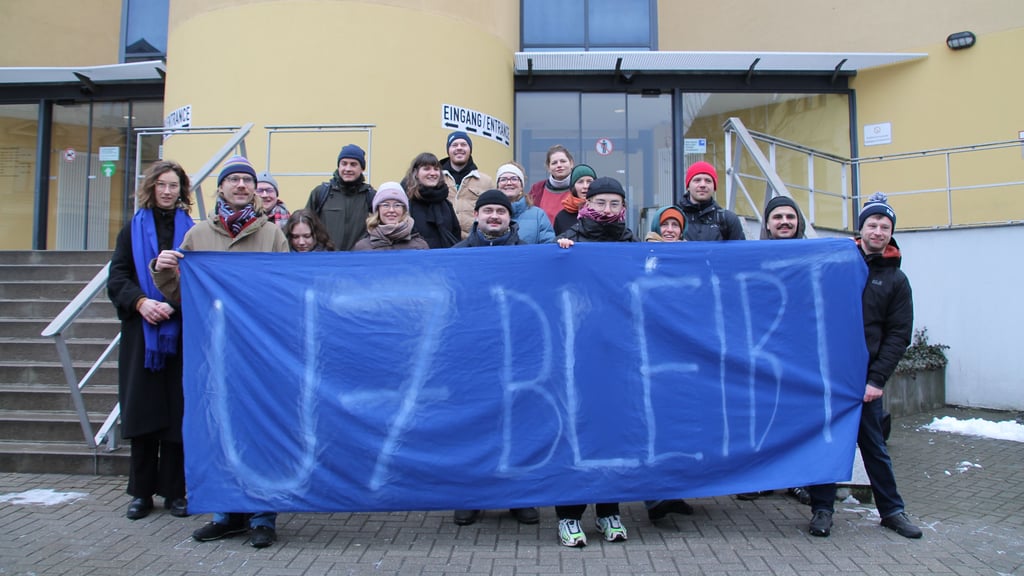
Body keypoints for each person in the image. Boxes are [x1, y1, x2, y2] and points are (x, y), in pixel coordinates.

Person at [151, 155, 288, 549]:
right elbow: (180, 294)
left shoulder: (273, 236)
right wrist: (162, 269)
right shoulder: (197, 237)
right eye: (234, 180)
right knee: (218, 429)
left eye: (248, 180)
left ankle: (263, 516)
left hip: (260, 353)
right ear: (221, 188)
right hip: (214, 351)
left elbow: (284, 292)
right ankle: (225, 514)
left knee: (262, 431)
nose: (242, 185)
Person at [805, 192, 922, 539]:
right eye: (872, 224)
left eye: (885, 226)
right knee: (826, 444)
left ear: (890, 233)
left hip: (865, 382)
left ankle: (892, 511)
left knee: (874, 447)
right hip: (831, 376)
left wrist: (877, 379)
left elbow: (898, 335)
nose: (878, 231)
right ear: (861, 230)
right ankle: (822, 510)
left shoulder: (896, 281)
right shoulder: (837, 266)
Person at [107, 160, 194, 521]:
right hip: (142, 335)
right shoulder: (131, 229)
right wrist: (141, 303)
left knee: (177, 412)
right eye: (162, 185)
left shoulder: (192, 230)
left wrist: (172, 304)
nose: (168, 191)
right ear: (151, 187)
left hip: (181, 331)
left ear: (182, 190)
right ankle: (141, 493)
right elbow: (118, 277)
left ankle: (175, 492)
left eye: (174, 185)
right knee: (143, 413)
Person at [554, 176, 636, 547]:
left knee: (614, 430)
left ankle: (609, 510)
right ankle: (569, 515)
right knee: (577, 429)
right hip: (579, 350)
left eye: (614, 204)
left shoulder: (631, 241)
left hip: (619, 350)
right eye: (600, 202)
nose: (606, 210)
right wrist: (558, 252)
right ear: (588, 202)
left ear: (622, 207)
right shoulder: (572, 237)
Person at [735, 195, 812, 503]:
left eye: (790, 217)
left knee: (796, 417)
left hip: (800, 353)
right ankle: (760, 477)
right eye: (777, 217)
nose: (784, 222)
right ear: (766, 224)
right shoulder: (753, 256)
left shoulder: (811, 255)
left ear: (798, 223)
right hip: (762, 349)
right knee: (761, 416)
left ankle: (798, 479)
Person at [305, 144, 375, 251]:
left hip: (358, 260)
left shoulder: (370, 196)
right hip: (326, 260)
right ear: (338, 166)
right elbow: (306, 226)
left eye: (353, 164)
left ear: (362, 168)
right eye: (344, 164)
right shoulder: (321, 193)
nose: (348, 169)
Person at [403, 152, 461, 249]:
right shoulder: (406, 203)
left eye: (436, 169)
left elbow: (456, 235)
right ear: (416, 173)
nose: (433, 173)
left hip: (445, 260)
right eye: (426, 169)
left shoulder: (446, 204)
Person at [441, 131, 493, 238]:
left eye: (464, 144)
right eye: (454, 145)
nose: (459, 148)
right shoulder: (437, 179)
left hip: (475, 243)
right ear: (448, 150)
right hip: (444, 243)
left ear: (470, 150)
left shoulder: (486, 181)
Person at [678, 161, 745, 241]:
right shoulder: (674, 217)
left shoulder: (728, 220)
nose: (703, 185)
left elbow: (740, 252)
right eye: (697, 180)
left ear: (714, 187)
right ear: (688, 186)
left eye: (708, 181)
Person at [352, 182, 429, 251]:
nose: (391, 210)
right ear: (378, 210)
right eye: (385, 205)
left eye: (397, 205)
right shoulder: (362, 247)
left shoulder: (419, 246)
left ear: (404, 210)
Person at [495, 162, 554, 244]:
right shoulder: (487, 214)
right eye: (503, 179)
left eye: (514, 179)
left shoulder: (538, 215)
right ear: (497, 186)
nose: (508, 183)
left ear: (522, 185)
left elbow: (549, 245)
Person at [528, 144, 575, 225]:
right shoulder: (537, 189)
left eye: (563, 161)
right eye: (554, 163)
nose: (559, 165)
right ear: (548, 168)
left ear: (571, 163)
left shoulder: (581, 187)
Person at [553, 164, 595, 236]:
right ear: (573, 187)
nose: (585, 186)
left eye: (589, 181)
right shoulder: (562, 217)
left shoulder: (603, 213)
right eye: (580, 182)